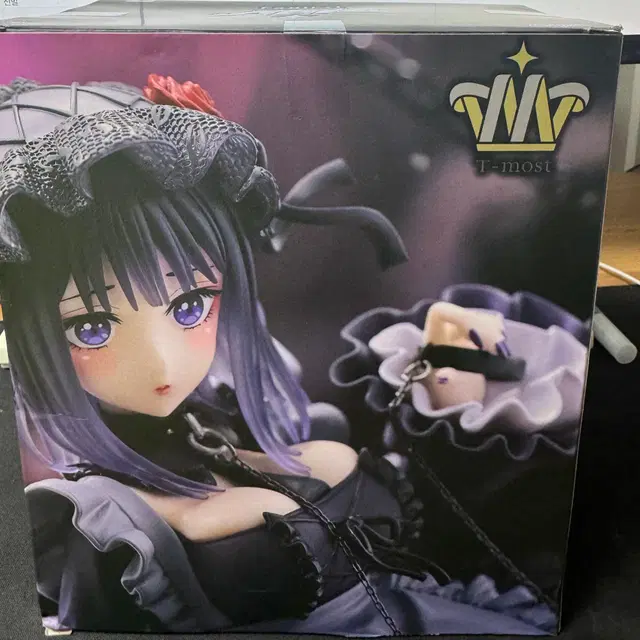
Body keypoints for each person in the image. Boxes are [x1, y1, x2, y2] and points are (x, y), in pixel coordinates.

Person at [0, 77, 554, 635]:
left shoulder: (226, 419)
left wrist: (443, 386)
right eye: (92, 327)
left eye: (190, 305)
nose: (161, 363)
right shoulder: (85, 518)